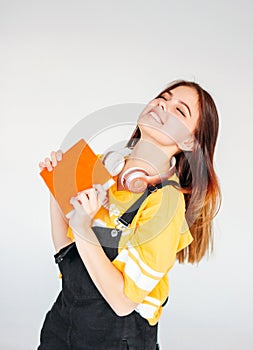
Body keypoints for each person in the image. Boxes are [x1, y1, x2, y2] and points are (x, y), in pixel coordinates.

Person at [37, 80, 221, 350]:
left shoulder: (165, 204)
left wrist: (82, 227)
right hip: (61, 328)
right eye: (163, 97)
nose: (162, 104)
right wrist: (57, 183)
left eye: (179, 111)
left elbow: (123, 302)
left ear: (189, 141)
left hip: (117, 340)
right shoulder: (100, 164)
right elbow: (65, 251)